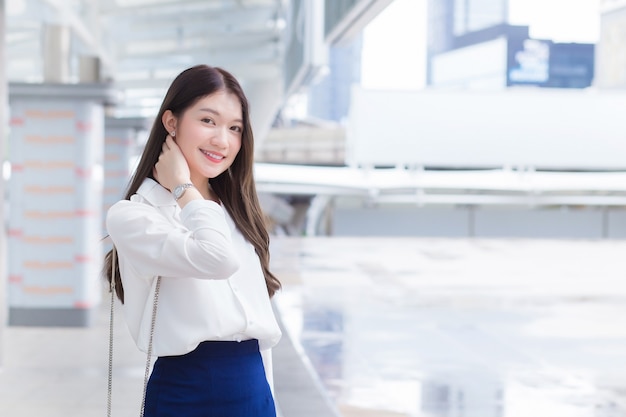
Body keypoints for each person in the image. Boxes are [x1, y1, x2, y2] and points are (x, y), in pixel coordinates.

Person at [104, 64, 282, 417]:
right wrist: (183, 189)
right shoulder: (133, 215)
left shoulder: (235, 211)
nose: (222, 140)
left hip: (253, 388)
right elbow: (217, 259)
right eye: (208, 121)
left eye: (235, 128)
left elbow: (259, 330)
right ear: (171, 123)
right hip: (187, 392)